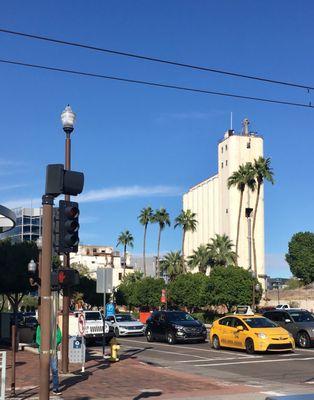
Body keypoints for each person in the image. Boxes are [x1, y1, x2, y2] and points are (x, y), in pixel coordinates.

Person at [36, 324, 62, 395]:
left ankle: (55, 388)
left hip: (52, 351)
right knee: (44, 370)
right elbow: (38, 338)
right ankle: (44, 387)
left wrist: (53, 343)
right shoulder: (40, 326)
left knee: (55, 370)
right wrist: (44, 345)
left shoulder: (55, 326)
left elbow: (59, 337)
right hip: (44, 351)